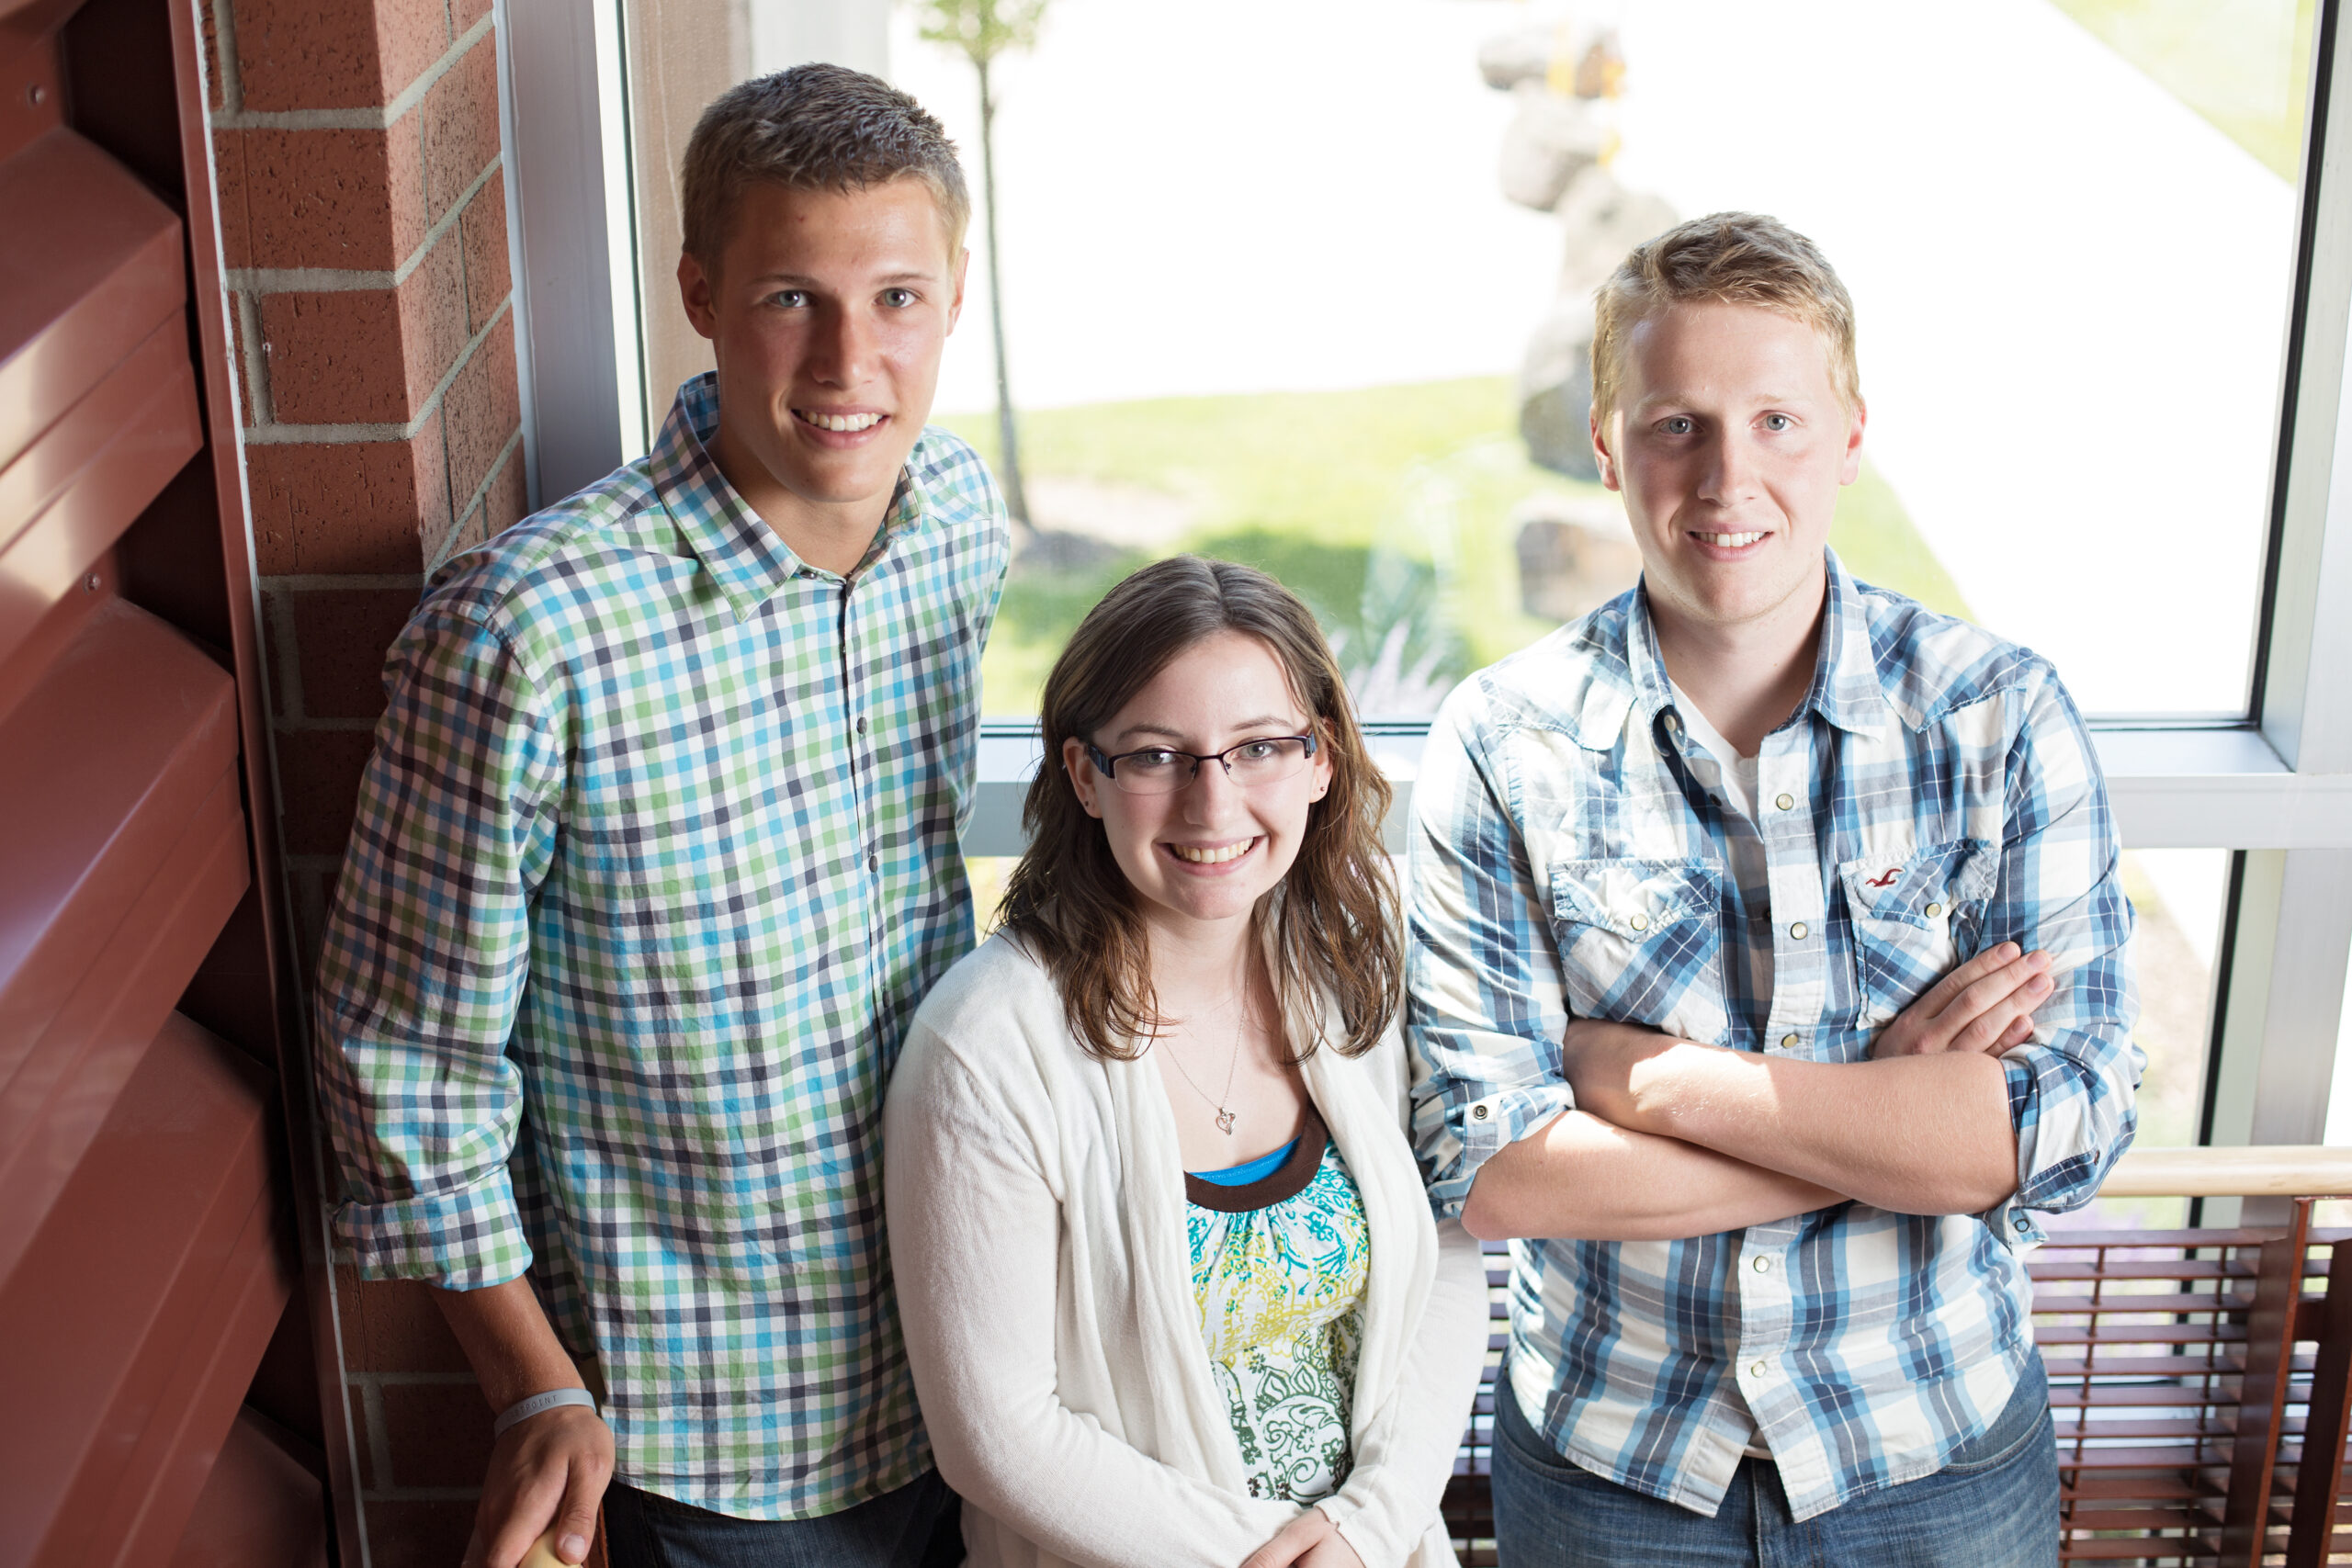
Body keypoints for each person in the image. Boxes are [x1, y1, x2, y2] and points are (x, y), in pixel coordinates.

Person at [311, 65, 1008, 1568]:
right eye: (788, 298)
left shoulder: (955, 520)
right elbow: (403, 1072)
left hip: (981, 1360)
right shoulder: (528, 633)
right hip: (719, 1447)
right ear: (697, 291)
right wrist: (531, 1383)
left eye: (896, 296)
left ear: (958, 294)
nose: (848, 360)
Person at [1405, 213, 2141, 1566]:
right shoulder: (1501, 743)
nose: (1728, 475)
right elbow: (1493, 1166)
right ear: (1607, 440)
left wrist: (1648, 1080)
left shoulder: (1998, 717)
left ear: (1853, 434)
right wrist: (1893, 1127)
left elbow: (2068, 1123)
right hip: (1615, 1467)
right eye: (1679, 422)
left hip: (1936, 1452)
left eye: (1778, 421)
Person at [883, 558, 1491, 1568]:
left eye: (1257, 748)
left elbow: (1444, 1240)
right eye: (1160, 755)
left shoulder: (1350, 960)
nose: (1213, 805)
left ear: (1321, 761)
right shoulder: (988, 1049)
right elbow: (998, 1438)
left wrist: (1368, 1528)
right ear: (1084, 775)